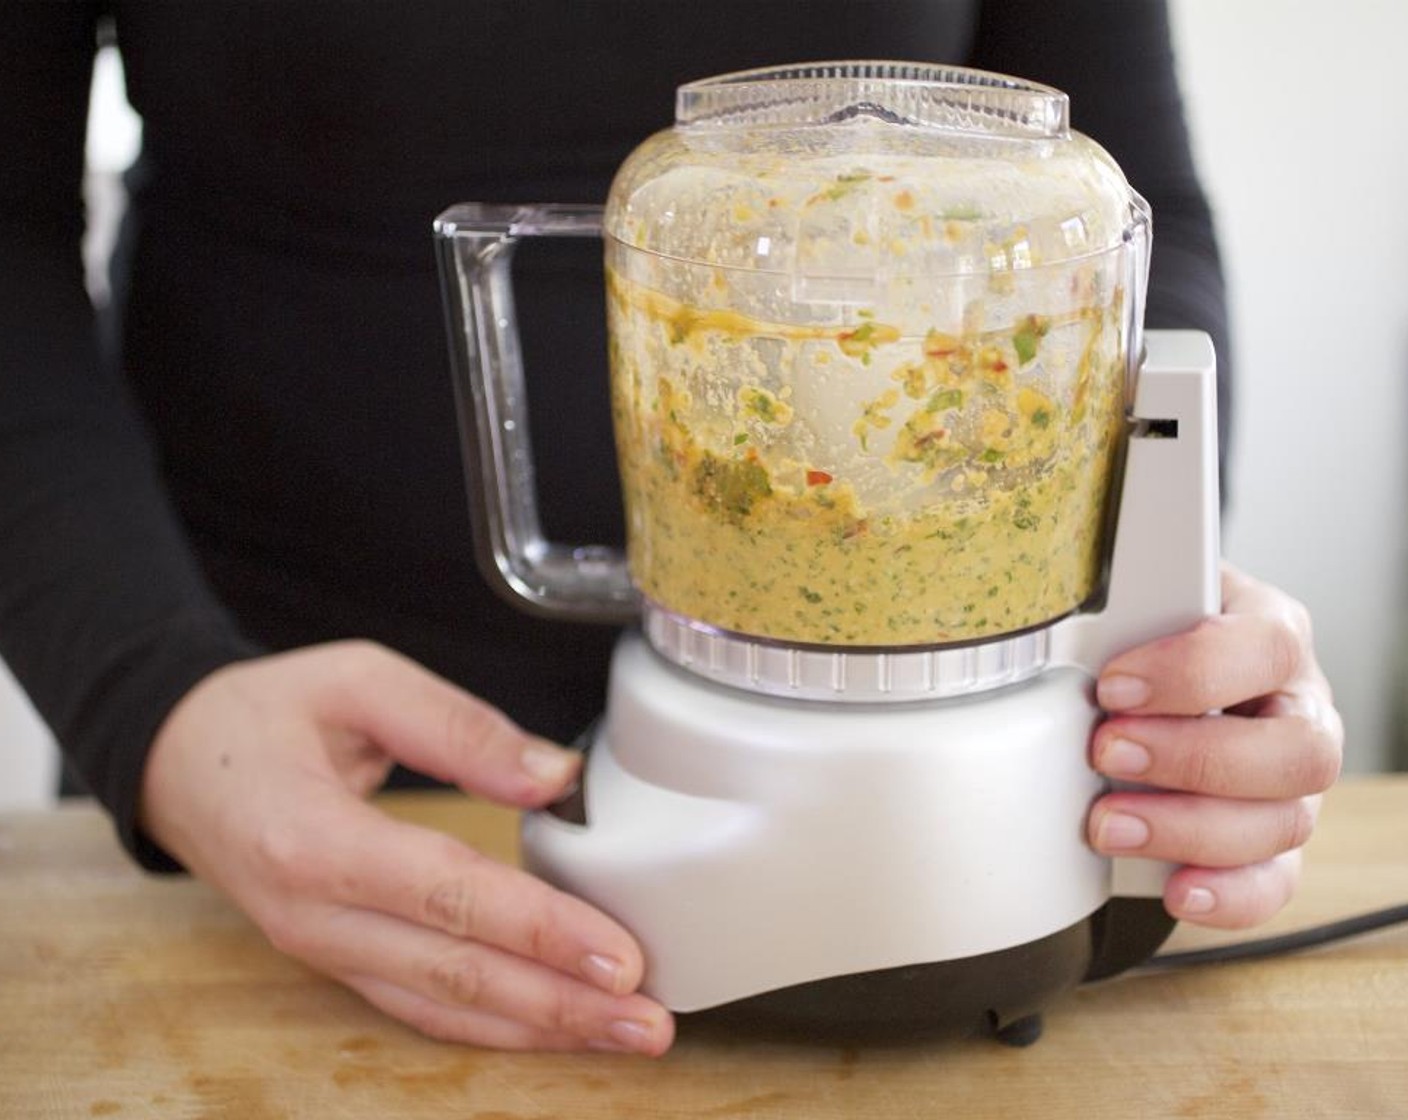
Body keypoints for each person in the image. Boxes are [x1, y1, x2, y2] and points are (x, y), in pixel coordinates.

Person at [0, 1, 1341, 1056]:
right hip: (262, 745)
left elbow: (1132, 197)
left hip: (982, 686)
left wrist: (1169, 635)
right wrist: (154, 699)